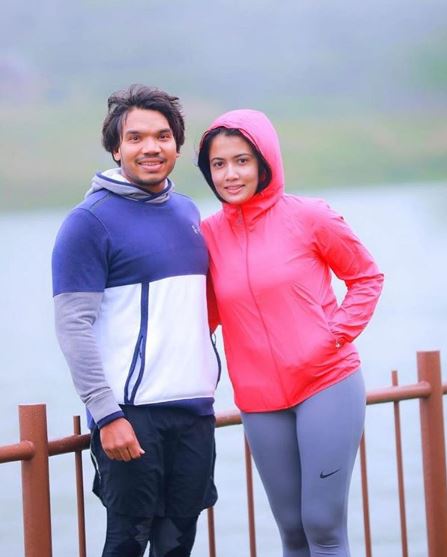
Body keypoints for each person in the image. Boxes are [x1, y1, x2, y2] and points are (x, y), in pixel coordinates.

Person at [197, 109, 384, 557]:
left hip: (326, 383)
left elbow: (366, 278)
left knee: (323, 525)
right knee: (292, 531)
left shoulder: (310, 216)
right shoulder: (207, 236)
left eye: (241, 161)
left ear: (265, 162)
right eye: (219, 164)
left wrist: (333, 335)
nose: (230, 174)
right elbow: (203, 318)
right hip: (259, 399)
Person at [52, 84, 219, 557]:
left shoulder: (187, 211)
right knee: (126, 543)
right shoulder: (89, 222)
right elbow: (73, 326)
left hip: (193, 412)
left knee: (178, 545)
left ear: (177, 146)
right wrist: (107, 414)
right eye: (136, 138)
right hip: (130, 415)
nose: (151, 147)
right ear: (116, 148)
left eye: (163, 136)